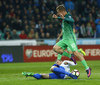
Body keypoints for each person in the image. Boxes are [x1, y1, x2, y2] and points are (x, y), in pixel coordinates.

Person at [52, 5, 91, 77]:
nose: (58, 13)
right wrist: (57, 17)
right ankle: (70, 56)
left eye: (58, 12)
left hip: (70, 39)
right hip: (64, 39)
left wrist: (63, 18)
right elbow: (63, 25)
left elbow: (72, 20)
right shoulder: (63, 18)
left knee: (76, 53)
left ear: (62, 11)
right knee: (55, 48)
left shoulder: (68, 15)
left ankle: (87, 68)